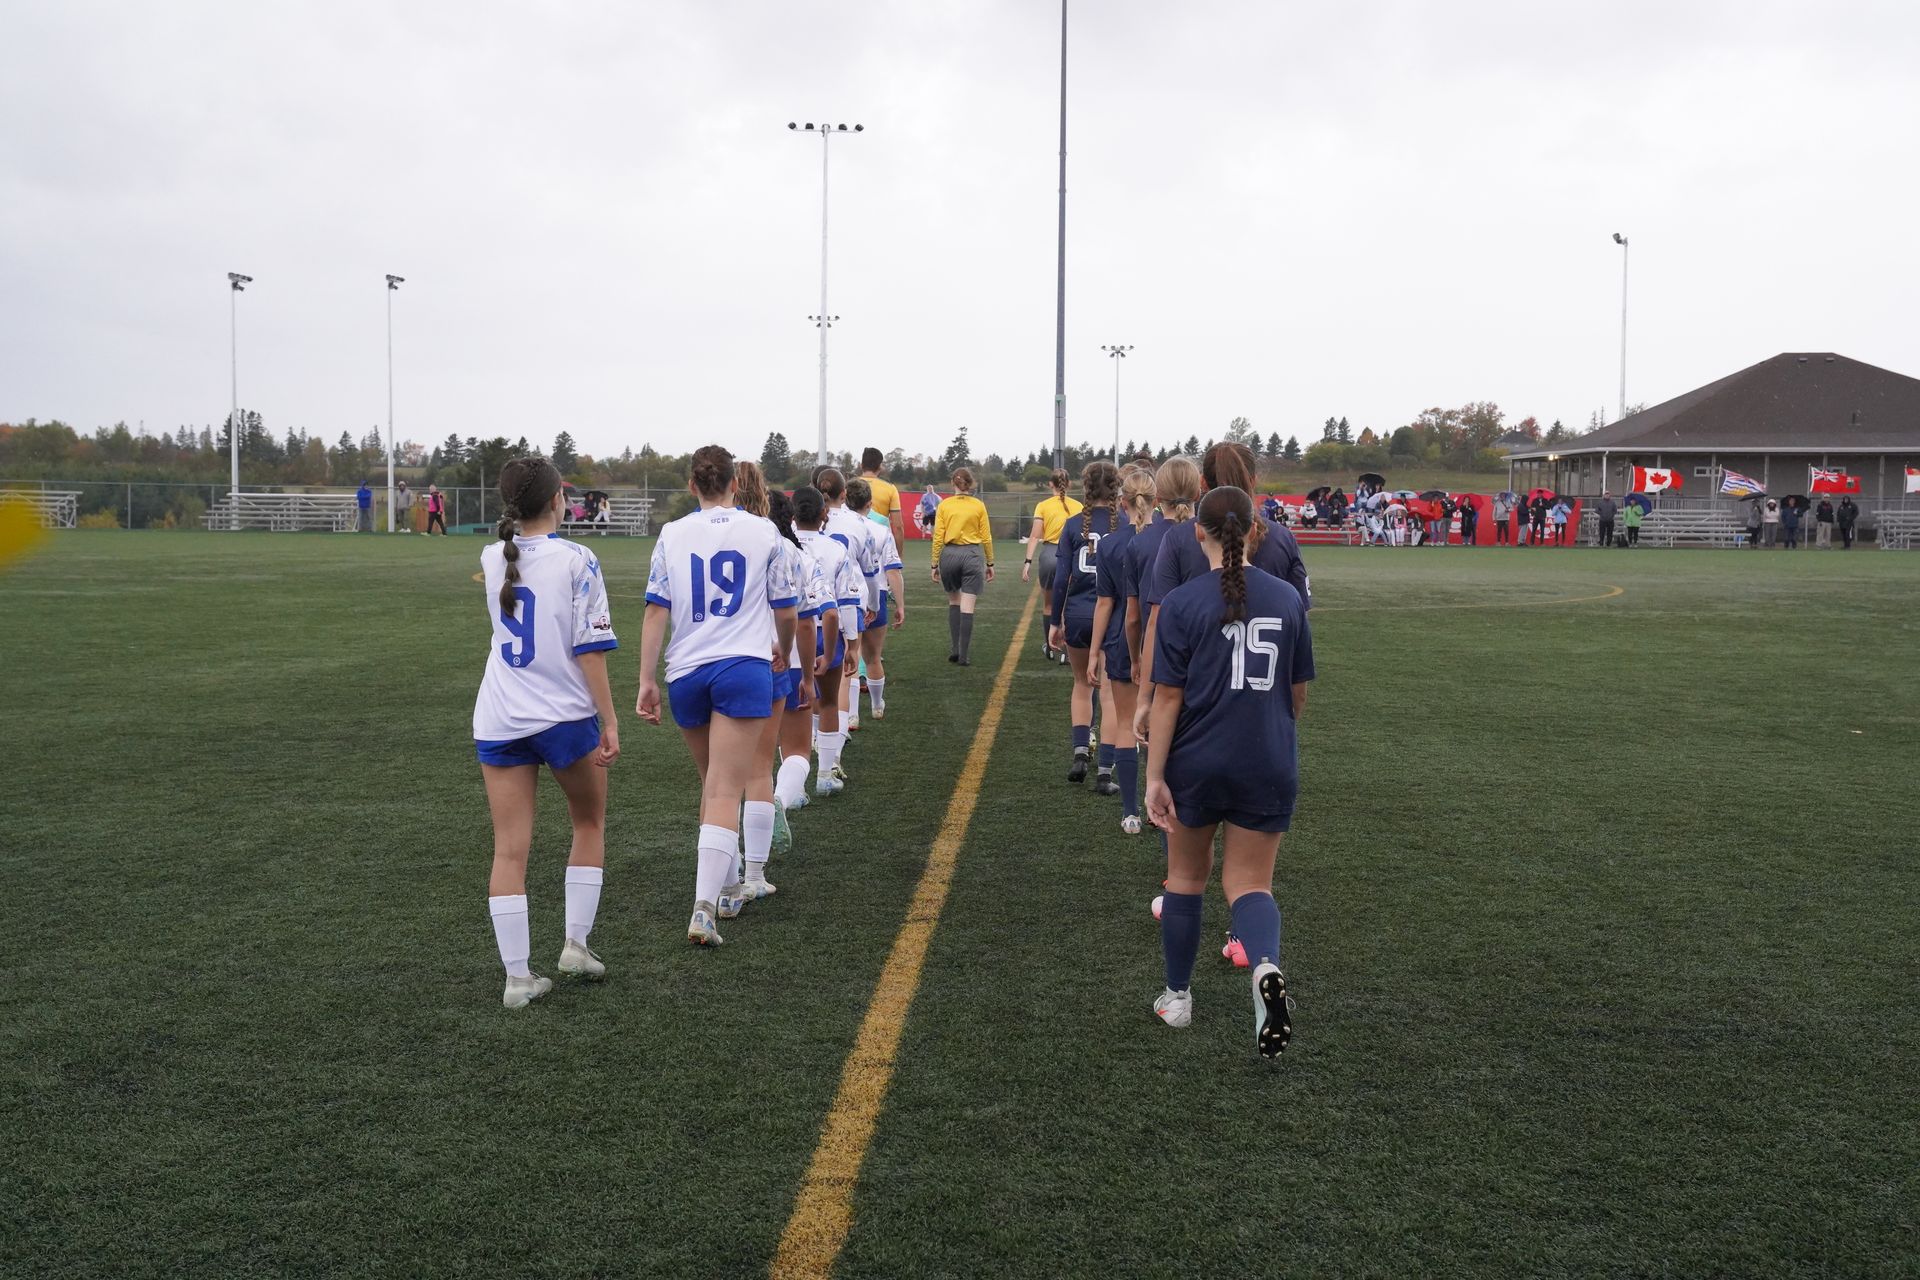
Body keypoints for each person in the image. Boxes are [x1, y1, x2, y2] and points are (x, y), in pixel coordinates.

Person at [1143, 485, 1313, 1058]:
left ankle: (1178, 998)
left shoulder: (1185, 603)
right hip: (1266, 758)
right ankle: (1265, 965)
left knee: (1186, 880)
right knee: (1250, 885)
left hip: (1197, 759)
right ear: (1255, 531)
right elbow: (1297, 694)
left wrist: (1154, 777)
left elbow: (1166, 700)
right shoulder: (1288, 600)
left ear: (1199, 532)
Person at [636, 445, 798, 948]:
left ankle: (727, 886)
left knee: (712, 784)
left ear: (692, 486)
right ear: (736, 484)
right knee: (728, 788)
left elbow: (655, 611)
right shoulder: (763, 530)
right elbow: (786, 609)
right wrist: (783, 651)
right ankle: (705, 905)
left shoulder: (671, 533)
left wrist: (646, 680)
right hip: (742, 666)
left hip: (686, 670)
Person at [472, 457, 620, 1008]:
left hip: (500, 717)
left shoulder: (492, 556)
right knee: (589, 819)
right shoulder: (578, 558)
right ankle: (575, 947)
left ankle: (517, 979)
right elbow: (590, 648)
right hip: (561, 716)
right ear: (558, 499)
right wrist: (609, 720)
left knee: (509, 849)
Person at [729, 463, 819, 911]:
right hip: (766, 663)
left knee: (717, 781)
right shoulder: (782, 546)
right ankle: (754, 875)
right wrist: (802, 671)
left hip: (706, 665)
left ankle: (722, 883)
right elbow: (799, 617)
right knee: (761, 768)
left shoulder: (691, 536)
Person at [1091, 463, 1155, 833]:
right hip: (1165, 642)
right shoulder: (1168, 539)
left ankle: (1130, 811)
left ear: (1122, 502)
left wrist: (1096, 651)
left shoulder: (1113, 543)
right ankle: (1158, 804)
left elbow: (1106, 603)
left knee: (1128, 724)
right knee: (1164, 727)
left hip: (1121, 639)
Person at [1050, 460, 1121, 787]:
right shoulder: (1127, 526)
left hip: (1078, 614)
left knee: (1081, 684)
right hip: (1114, 618)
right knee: (1109, 694)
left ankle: (1081, 752)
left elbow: (1061, 578)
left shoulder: (1072, 525)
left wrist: (1054, 621)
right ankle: (1106, 769)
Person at [773, 489, 839, 815]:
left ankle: (749, 863)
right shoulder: (801, 558)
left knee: (750, 760)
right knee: (799, 749)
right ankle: (783, 798)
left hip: (739, 661)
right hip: (790, 661)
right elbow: (814, 618)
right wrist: (810, 676)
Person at [792, 485, 860, 795]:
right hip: (824, 630)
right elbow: (845, 602)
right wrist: (852, 642)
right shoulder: (835, 549)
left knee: (794, 707)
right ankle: (824, 775)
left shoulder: (781, 546)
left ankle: (793, 784)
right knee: (830, 701)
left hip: (789, 631)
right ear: (824, 514)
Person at [847, 479, 906, 724]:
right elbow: (893, 571)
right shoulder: (880, 530)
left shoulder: (831, 528)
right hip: (875, 595)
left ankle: (851, 714)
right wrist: (901, 604)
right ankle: (876, 705)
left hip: (846, 598)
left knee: (849, 657)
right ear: (869, 503)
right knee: (873, 657)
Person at [931, 467, 994, 665]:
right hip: (972, 555)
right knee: (968, 606)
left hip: (949, 555)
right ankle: (964, 656)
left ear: (953, 483)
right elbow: (986, 537)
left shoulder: (945, 505)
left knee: (954, 602)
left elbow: (938, 536)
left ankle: (955, 649)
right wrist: (990, 562)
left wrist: (934, 564)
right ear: (971, 484)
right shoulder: (979, 505)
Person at [1024, 469, 1083, 661]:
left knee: (1049, 605)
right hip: (1073, 556)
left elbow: (1035, 536)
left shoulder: (1043, 506)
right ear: (1070, 484)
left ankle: (1050, 648)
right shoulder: (1079, 506)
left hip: (1050, 554)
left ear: (1051, 484)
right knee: (1069, 604)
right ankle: (1068, 652)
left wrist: (1027, 562)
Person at [859, 447, 907, 557]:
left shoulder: (848, 486)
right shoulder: (890, 488)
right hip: (880, 544)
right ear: (880, 467)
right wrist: (898, 554)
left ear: (861, 465)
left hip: (855, 540)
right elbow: (898, 526)